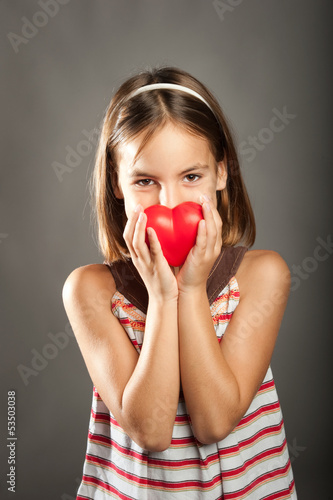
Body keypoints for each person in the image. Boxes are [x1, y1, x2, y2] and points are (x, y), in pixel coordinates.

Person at [62, 66, 297, 499]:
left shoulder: (263, 276)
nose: (169, 204)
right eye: (145, 181)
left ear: (221, 173)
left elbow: (213, 422)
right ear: (117, 183)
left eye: (192, 177)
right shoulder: (90, 291)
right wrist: (161, 294)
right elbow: (150, 431)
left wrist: (191, 290)